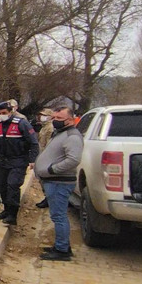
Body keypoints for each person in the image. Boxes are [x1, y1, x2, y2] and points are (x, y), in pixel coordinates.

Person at [34, 106, 83, 261]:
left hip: (59, 182)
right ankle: (61, 245)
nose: (55, 121)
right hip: (53, 181)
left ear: (70, 120)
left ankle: (62, 250)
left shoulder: (72, 136)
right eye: (54, 118)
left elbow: (73, 159)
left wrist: (52, 169)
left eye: (59, 118)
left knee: (59, 216)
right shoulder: (60, 133)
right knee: (57, 215)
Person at [0, 101, 39, 225]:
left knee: (13, 186)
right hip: (3, 160)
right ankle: (6, 210)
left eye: (4, 113)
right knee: (3, 186)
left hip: (18, 160)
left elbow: (33, 142)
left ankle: (13, 214)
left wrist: (32, 160)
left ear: (10, 112)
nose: (2, 115)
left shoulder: (21, 123)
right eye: (0, 113)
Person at [35, 108, 54, 209]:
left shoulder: (50, 128)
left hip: (45, 156)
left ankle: (49, 198)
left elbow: (49, 145)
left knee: (45, 179)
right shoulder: (44, 127)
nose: (42, 117)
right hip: (41, 154)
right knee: (41, 178)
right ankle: (47, 197)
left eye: (45, 115)